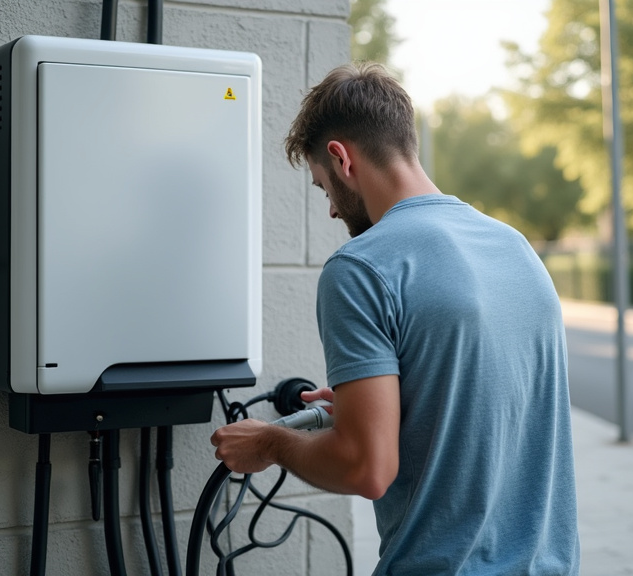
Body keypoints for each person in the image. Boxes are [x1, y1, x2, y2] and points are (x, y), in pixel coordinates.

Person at [210, 62, 580, 575]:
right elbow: (492, 398)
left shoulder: (361, 267)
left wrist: (272, 443)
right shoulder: (514, 248)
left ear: (341, 159)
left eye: (322, 189)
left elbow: (367, 469)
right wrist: (385, 407)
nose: (334, 212)